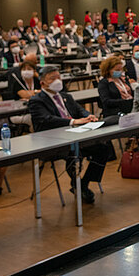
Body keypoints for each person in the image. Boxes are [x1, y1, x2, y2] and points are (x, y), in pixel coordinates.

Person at [28, 66, 106, 204]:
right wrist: (73, 121)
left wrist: (89, 116)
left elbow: (80, 110)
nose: (57, 81)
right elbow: (47, 120)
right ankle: (76, 184)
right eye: (52, 78)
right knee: (75, 154)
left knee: (103, 148)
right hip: (52, 142)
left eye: (58, 77)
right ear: (42, 83)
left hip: (75, 135)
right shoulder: (36, 100)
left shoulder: (66, 96)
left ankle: (83, 183)